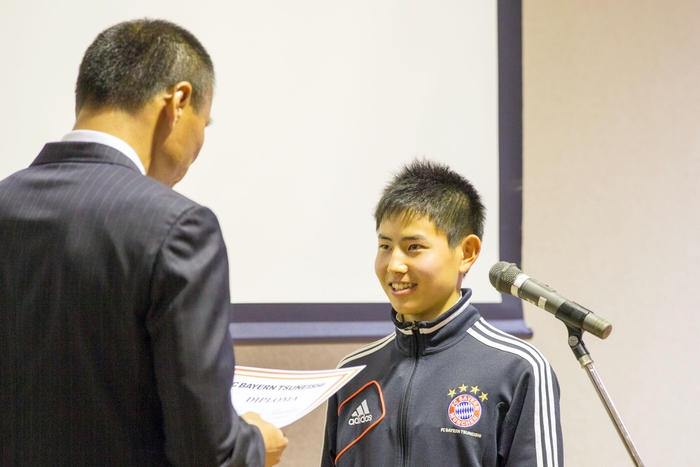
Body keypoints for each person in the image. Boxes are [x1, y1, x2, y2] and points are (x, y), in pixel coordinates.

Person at [0, 19, 287, 467]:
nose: (199, 146)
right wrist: (255, 445)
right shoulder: (179, 228)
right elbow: (206, 453)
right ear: (179, 101)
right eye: (205, 124)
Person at [321, 160, 563, 467]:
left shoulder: (519, 368)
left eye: (414, 247)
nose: (394, 265)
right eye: (385, 246)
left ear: (467, 253)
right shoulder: (353, 372)